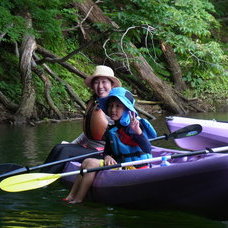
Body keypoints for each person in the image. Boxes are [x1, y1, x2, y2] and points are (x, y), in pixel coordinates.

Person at [63, 87, 157, 204]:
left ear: (127, 109)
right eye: (111, 106)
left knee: (91, 163)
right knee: (86, 162)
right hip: (121, 165)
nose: (113, 109)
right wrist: (107, 156)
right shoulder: (112, 130)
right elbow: (107, 151)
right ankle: (70, 196)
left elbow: (148, 149)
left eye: (118, 106)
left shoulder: (135, 126)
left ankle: (79, 199)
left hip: (136, 169)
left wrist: (138, 131)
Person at [41, 65, 122, 173]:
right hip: (90, 149)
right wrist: (72, 144)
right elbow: (88, 132)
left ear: (111, 85)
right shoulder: (94, 103)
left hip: (105, 153)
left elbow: (123, 131)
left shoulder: (114, 105)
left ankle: (44, 178)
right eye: (97, 82)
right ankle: (41, 174)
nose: (100, 86)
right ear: (93, 86)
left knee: (65, 150)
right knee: (59, 147)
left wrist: (111, 155)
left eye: (104, 82)